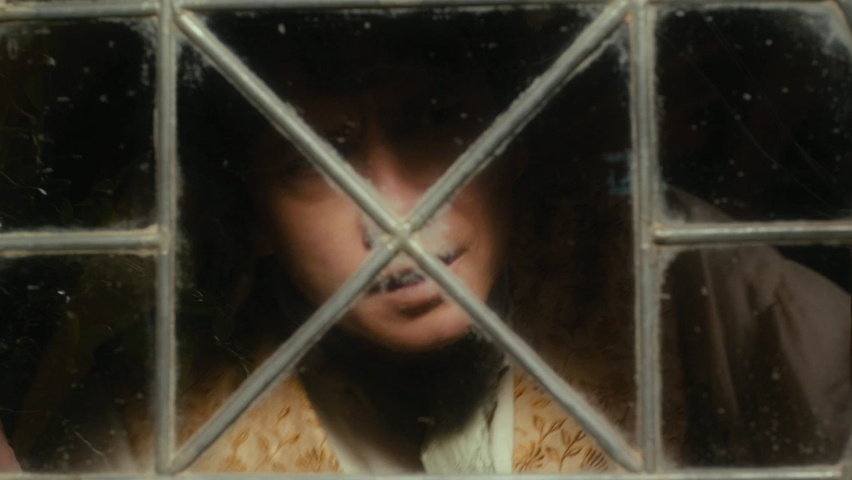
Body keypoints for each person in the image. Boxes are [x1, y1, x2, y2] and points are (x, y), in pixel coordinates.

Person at [2, 8, 850, 473]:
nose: (394, 215)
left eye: (436, 121)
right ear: (250, 217)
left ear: (510, 142)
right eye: (313, 160)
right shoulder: (151, 412)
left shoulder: (663, 273)